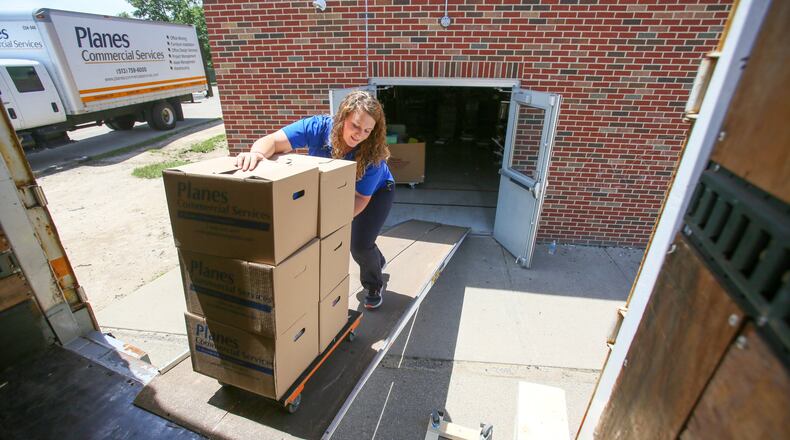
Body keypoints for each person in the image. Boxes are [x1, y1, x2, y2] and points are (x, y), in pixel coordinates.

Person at [236, 91, 394, 310]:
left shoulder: (372, 157)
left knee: (359, 245)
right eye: (355, 126)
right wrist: (257, 154)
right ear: (342, 117)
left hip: (375, 193)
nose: (360, 135)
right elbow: (273, 140)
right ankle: (376, 259)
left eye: (367, 130)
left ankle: (374, 284)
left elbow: (359, 198)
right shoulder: (318, 127)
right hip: (337, 188)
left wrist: (329, 222)